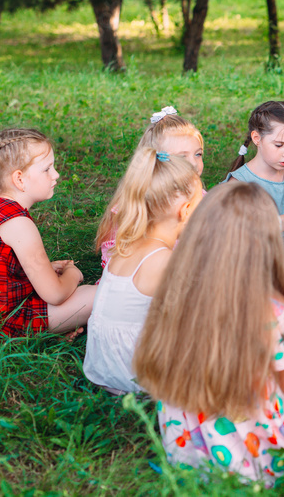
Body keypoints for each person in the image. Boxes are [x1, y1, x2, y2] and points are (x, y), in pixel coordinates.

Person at [133, 183, 284, 486]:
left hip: (187, 452)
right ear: (266, 243)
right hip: (252, 455)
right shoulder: (273, 311)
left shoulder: (175, 290)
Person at [0, 128, 97, 337]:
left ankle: (55, 332)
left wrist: (46, 269)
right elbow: (56, 294)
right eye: (47, 169)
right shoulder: (17, 223)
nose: (56, 174)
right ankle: (43, 335)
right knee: (97, 296)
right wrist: (72, 275)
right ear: (19, 179)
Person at [82, 148, 202, 395]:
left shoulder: (124, 246)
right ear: (186, 210)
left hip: (103, 369)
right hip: (135, 376)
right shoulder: (163, 260)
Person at [99, 105, 204, 268]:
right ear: (157, 160)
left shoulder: (202, 197)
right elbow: (120, 259)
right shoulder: (139, 203)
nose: (194, 163)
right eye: (182, 157)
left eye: (198, 154)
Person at [223, 101, 284, 271]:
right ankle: (279, 282)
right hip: (248, 256)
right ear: (257, 139)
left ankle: (279, 279)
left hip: (283, 253)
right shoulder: (240, 182)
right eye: (279, 145)